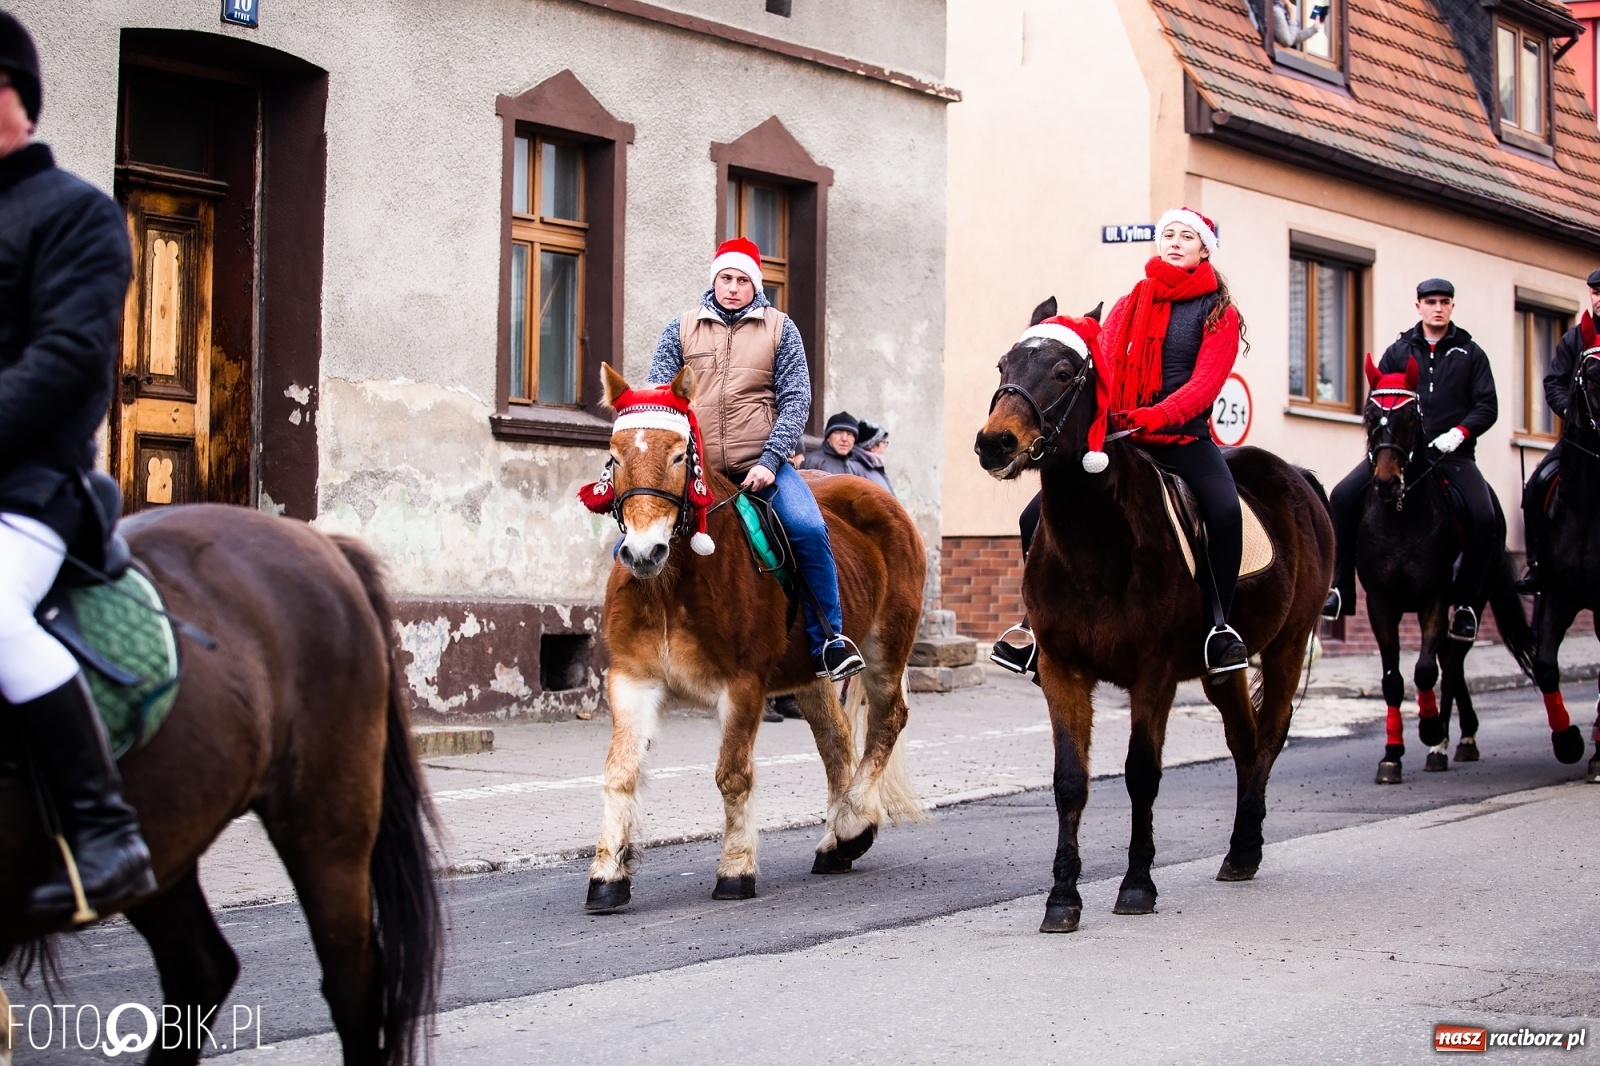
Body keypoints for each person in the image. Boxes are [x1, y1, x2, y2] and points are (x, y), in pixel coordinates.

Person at [0, 9, 156, 918]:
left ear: (14, 98)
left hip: (28, 491)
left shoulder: (77, 216)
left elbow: (64, 367)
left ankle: (105, 832)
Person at [993, 207, 1250, 677]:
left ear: (1203, 249)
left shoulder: (1218, 312)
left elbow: (1205, 386)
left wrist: (1157, 414)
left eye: (1186, 236)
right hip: (1123, 437)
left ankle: (1218, 627)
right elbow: (1103, 364)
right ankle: (1032, 626)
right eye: (1167, 234)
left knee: (1224, 508)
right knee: (1034, 514)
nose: (1174, 242)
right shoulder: (1132, 301)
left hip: (1181, 437)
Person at [649, 237, 864, 681]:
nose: (732, 287)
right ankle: (643, 641)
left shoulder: (780, 328)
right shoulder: (682, 328)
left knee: (807, 527)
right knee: (636, 534)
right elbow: (659, 398)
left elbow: (796, 398)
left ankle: (830, 640)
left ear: (755, 285)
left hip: (762, 464)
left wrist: (770, 459)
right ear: (714, 281)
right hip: (696, 466)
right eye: (725, 278)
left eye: (742, 279)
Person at [1323, 278, 1499, 640]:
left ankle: (1465, 605)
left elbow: (1487, 406)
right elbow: (1377, 405)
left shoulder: (1471, 354)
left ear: (1452, 307)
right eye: (1430, 301)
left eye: (1444, 301)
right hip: (1397, 452)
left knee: (1484, 516)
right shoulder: (1398, 352)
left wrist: (1459, 434)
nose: (1438, 307)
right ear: (1417, 306)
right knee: (1341, 496)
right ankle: (1341, 588)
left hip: (1453, 455)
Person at [1515, 269, 1600, 593]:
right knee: (1537, 484)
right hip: (1577, 442)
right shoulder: (1574, 339)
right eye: (1595, 292)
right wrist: (1570, 411)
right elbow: (1553, 381)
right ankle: (1536, 565)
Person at [803, 411, 895, 494]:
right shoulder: (813, 461)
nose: (844, 439)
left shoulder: (851, 467)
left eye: (850, 434)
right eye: (838, 432)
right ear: (828, 437)